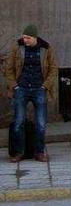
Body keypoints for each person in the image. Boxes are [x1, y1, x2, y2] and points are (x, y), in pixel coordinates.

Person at [4, 25, 57, 163]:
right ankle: (18, 152)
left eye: (28, 37)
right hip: (21, 89)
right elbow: (8, 68)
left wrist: (45, 86)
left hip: (39, 89)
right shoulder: (18, 47)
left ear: (35, 37)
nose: (25, 39)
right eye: (24, 37)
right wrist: (14, 86)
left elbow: (53, 69)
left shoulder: (46, 49)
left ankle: (39, 152)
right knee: (18, 122)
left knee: (41, 123)